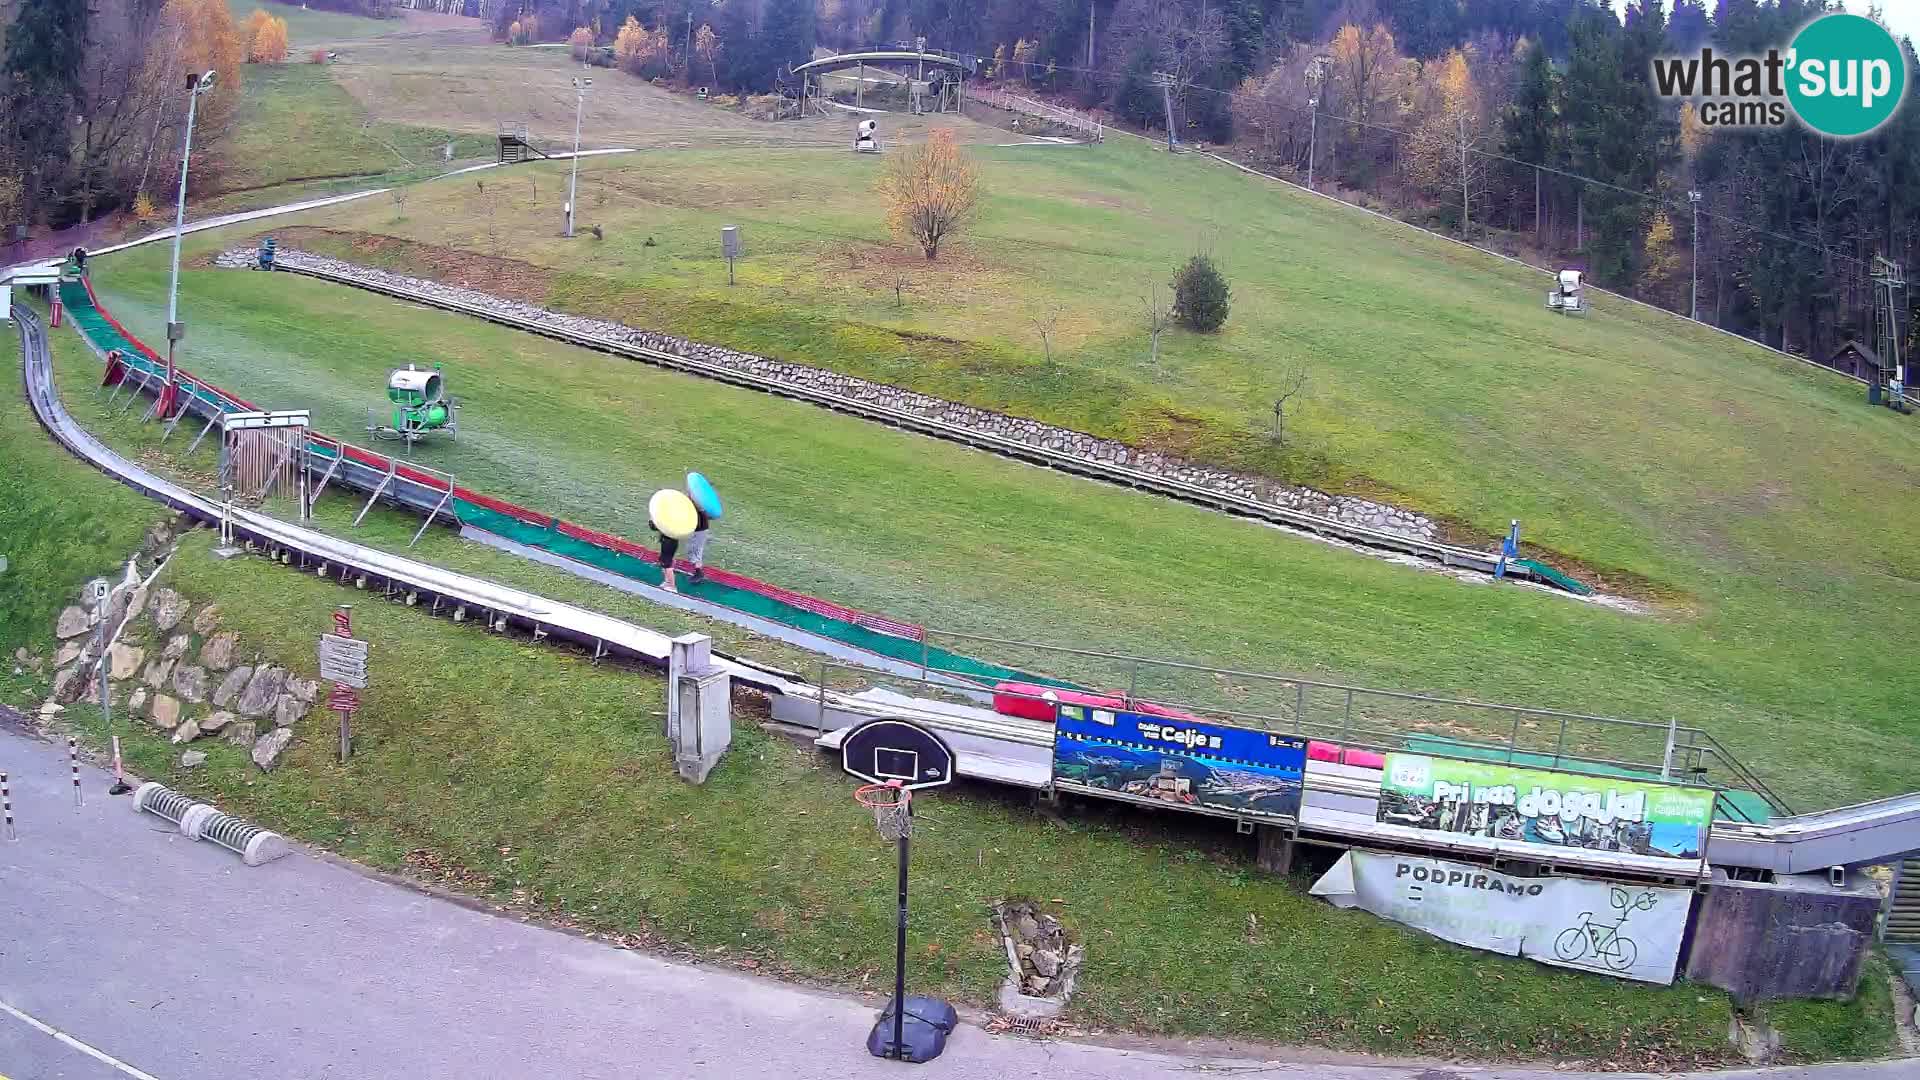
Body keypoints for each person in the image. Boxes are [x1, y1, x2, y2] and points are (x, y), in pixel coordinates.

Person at [683, 508, 712, 583]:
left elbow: (696, 522)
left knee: (694, 551)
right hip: (701, 530)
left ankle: (699, 573)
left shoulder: (696, 509)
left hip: (699, 531)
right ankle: (698, 572)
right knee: (695, 550)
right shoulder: (700, 507)